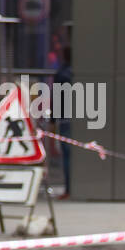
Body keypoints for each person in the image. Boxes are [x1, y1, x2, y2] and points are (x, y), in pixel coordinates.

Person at [51, 47, 74, 197]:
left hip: (66, 119)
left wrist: (53, 120)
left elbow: (57, 100)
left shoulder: (62, 74)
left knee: (68, 155)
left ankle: (69, 189)